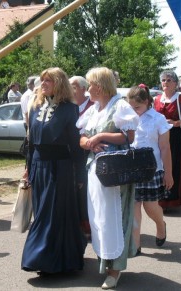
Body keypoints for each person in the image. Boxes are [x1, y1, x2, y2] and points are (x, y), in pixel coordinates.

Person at [77, 67, 139, 289]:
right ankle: (106, 262)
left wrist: (101, 135)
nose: (87, 90)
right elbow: (82, 137)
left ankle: (115, 269)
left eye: (90, 85)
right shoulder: (94, 109)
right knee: (100, 218)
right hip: (96, 169)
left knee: (114, 218)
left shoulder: (120, 106)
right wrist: (88, 142)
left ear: (100, 86)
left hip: (116, 173)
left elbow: (129, 136)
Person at [21, 67, 86, 275]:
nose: (43, 85)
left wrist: (80, 175)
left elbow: (75, 145)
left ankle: (49, 260)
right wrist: (28, 169)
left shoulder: (69, 109)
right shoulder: (34, 106)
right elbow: (30, 142)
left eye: (48, 81)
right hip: (39, 166)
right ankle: (45, 259)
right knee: (41, 212)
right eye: (42, 81)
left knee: (56, 215)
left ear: (58, 83)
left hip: (61, 168)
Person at [127, 84, 173, 256]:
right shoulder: (127, 118)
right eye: (131, 107)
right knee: (134, 206)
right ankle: (136, 245)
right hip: (131, 169)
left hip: (152, 170)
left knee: (150, 207)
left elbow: (165, 148)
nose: (134, 111)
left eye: (137, 107)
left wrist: (168, 173)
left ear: (146, 102)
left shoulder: (158, 119)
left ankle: (160, 224)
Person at [154, 70, 181, 209]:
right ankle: (157, 199)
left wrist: (175, 123)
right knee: (158, 166)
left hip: (174, 139)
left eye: (168, 80)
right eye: (163, 80)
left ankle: (171, 200)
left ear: (175, 84)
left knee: (173, 167)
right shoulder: (157, 99)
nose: (165, 83)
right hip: (158, 138)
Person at [69, 75, 94, 239]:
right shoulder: (67, 106)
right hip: (70, 153)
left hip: (87, 153)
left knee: (85, 189)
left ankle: (88, 226)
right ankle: (75, 225)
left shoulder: (93, 106)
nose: (71, 89)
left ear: (84, 89)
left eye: (74, 86)